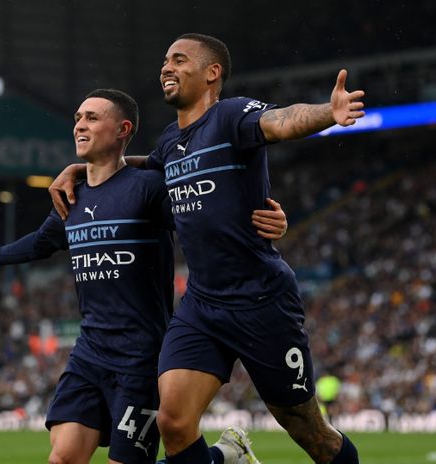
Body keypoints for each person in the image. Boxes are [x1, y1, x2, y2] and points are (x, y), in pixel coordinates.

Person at [48, 33, 365, 463]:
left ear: (212, 72)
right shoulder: (168, 143)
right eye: (165, 61)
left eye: (180, 60)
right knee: (173, 422)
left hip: (260, 299)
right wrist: (81, 169)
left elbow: (281, 121)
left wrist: (329, 112)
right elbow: (133, 170)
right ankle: (231, 456)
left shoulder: (231, 116)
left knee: (308, 431)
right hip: (202, 305)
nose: (167, 67)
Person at [0, 89, 289, 463]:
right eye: (78, 118)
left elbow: (202, 212)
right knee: (62, 458)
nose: (80, 125)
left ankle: (223, 455)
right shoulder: (71, 196)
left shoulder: (149, 187)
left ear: (122, 129)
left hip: (141, 357)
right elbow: (43, 242)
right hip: (89, 352)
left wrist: (261, 220)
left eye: (92, 118)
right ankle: (226, 455)